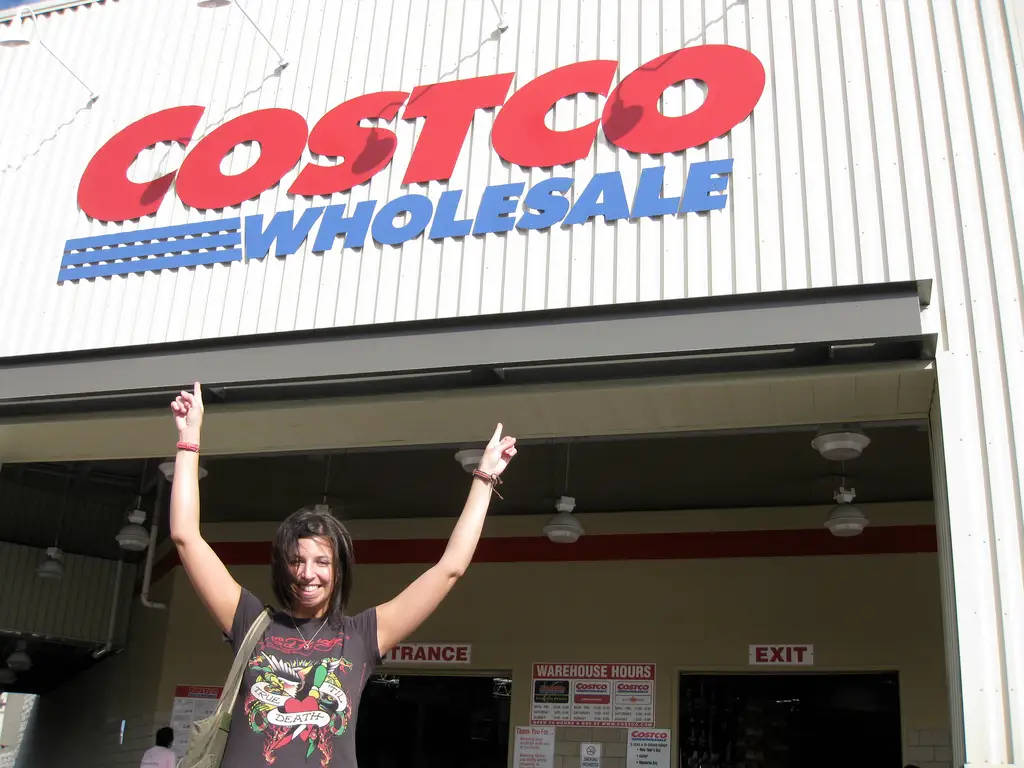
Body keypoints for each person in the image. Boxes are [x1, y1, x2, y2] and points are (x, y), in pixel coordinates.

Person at [168, 382, 517, 768]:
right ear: (282, 567)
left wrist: (484, 479)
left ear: (339, 571)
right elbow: (186, 537)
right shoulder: (251, 622)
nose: (307, 573)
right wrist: (189, 439)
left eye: (322, 562)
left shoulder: (361, 636)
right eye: (296, 561)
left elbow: (450, 568)